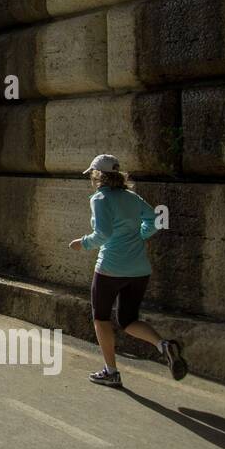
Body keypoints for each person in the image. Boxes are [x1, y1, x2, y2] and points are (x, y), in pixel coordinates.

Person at [68, 154, 188, 387]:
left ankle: (111, 371)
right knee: (128, 319)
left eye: (92, 175)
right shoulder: (132, 197)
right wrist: (138, 237)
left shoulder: (100, 199)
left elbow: (102, 233)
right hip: (139, 269)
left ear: (97, 175)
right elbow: (154, 220)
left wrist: (81, 243)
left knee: (101, 318)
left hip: (110, 268)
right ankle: (163, 345)